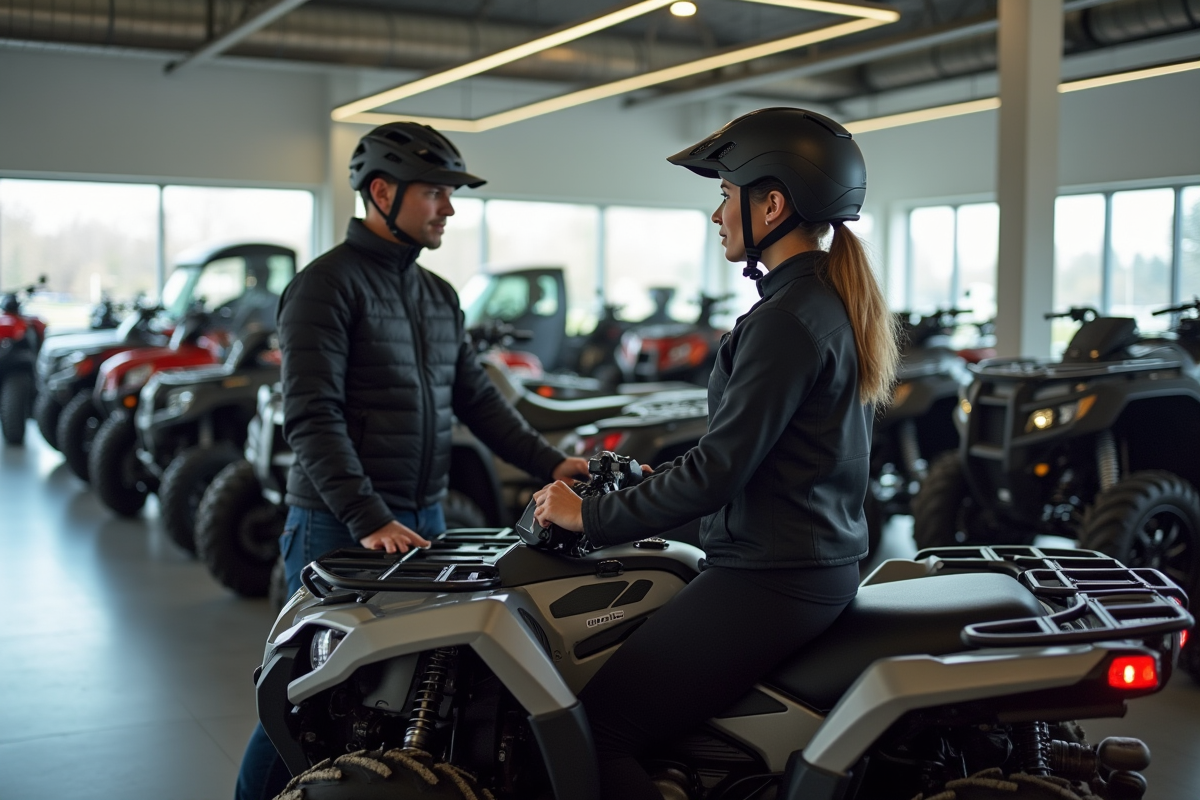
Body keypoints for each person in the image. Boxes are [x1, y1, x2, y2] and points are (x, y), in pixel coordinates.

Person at [532, 106, 900, 800]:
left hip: (771, 577)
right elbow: (749, 455)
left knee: (597, 733)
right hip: (804, 564)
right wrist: (646, 485)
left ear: (773, 202)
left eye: (725, 195)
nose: (716, 214)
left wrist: (590, 517)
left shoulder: (786, 320)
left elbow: (719, 472)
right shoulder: (820, 301)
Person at [234, 121, 588, 800]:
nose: (449, 208)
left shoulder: (436, 296)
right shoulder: (323, 287)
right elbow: (311, 414)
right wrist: (366, 516)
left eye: (450, 194)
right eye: (435, 193)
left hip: (419, 517)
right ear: (381, 191)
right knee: (308, 697)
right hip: (339, 523)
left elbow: (478, 400)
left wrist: (551, 463)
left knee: (391, 691)